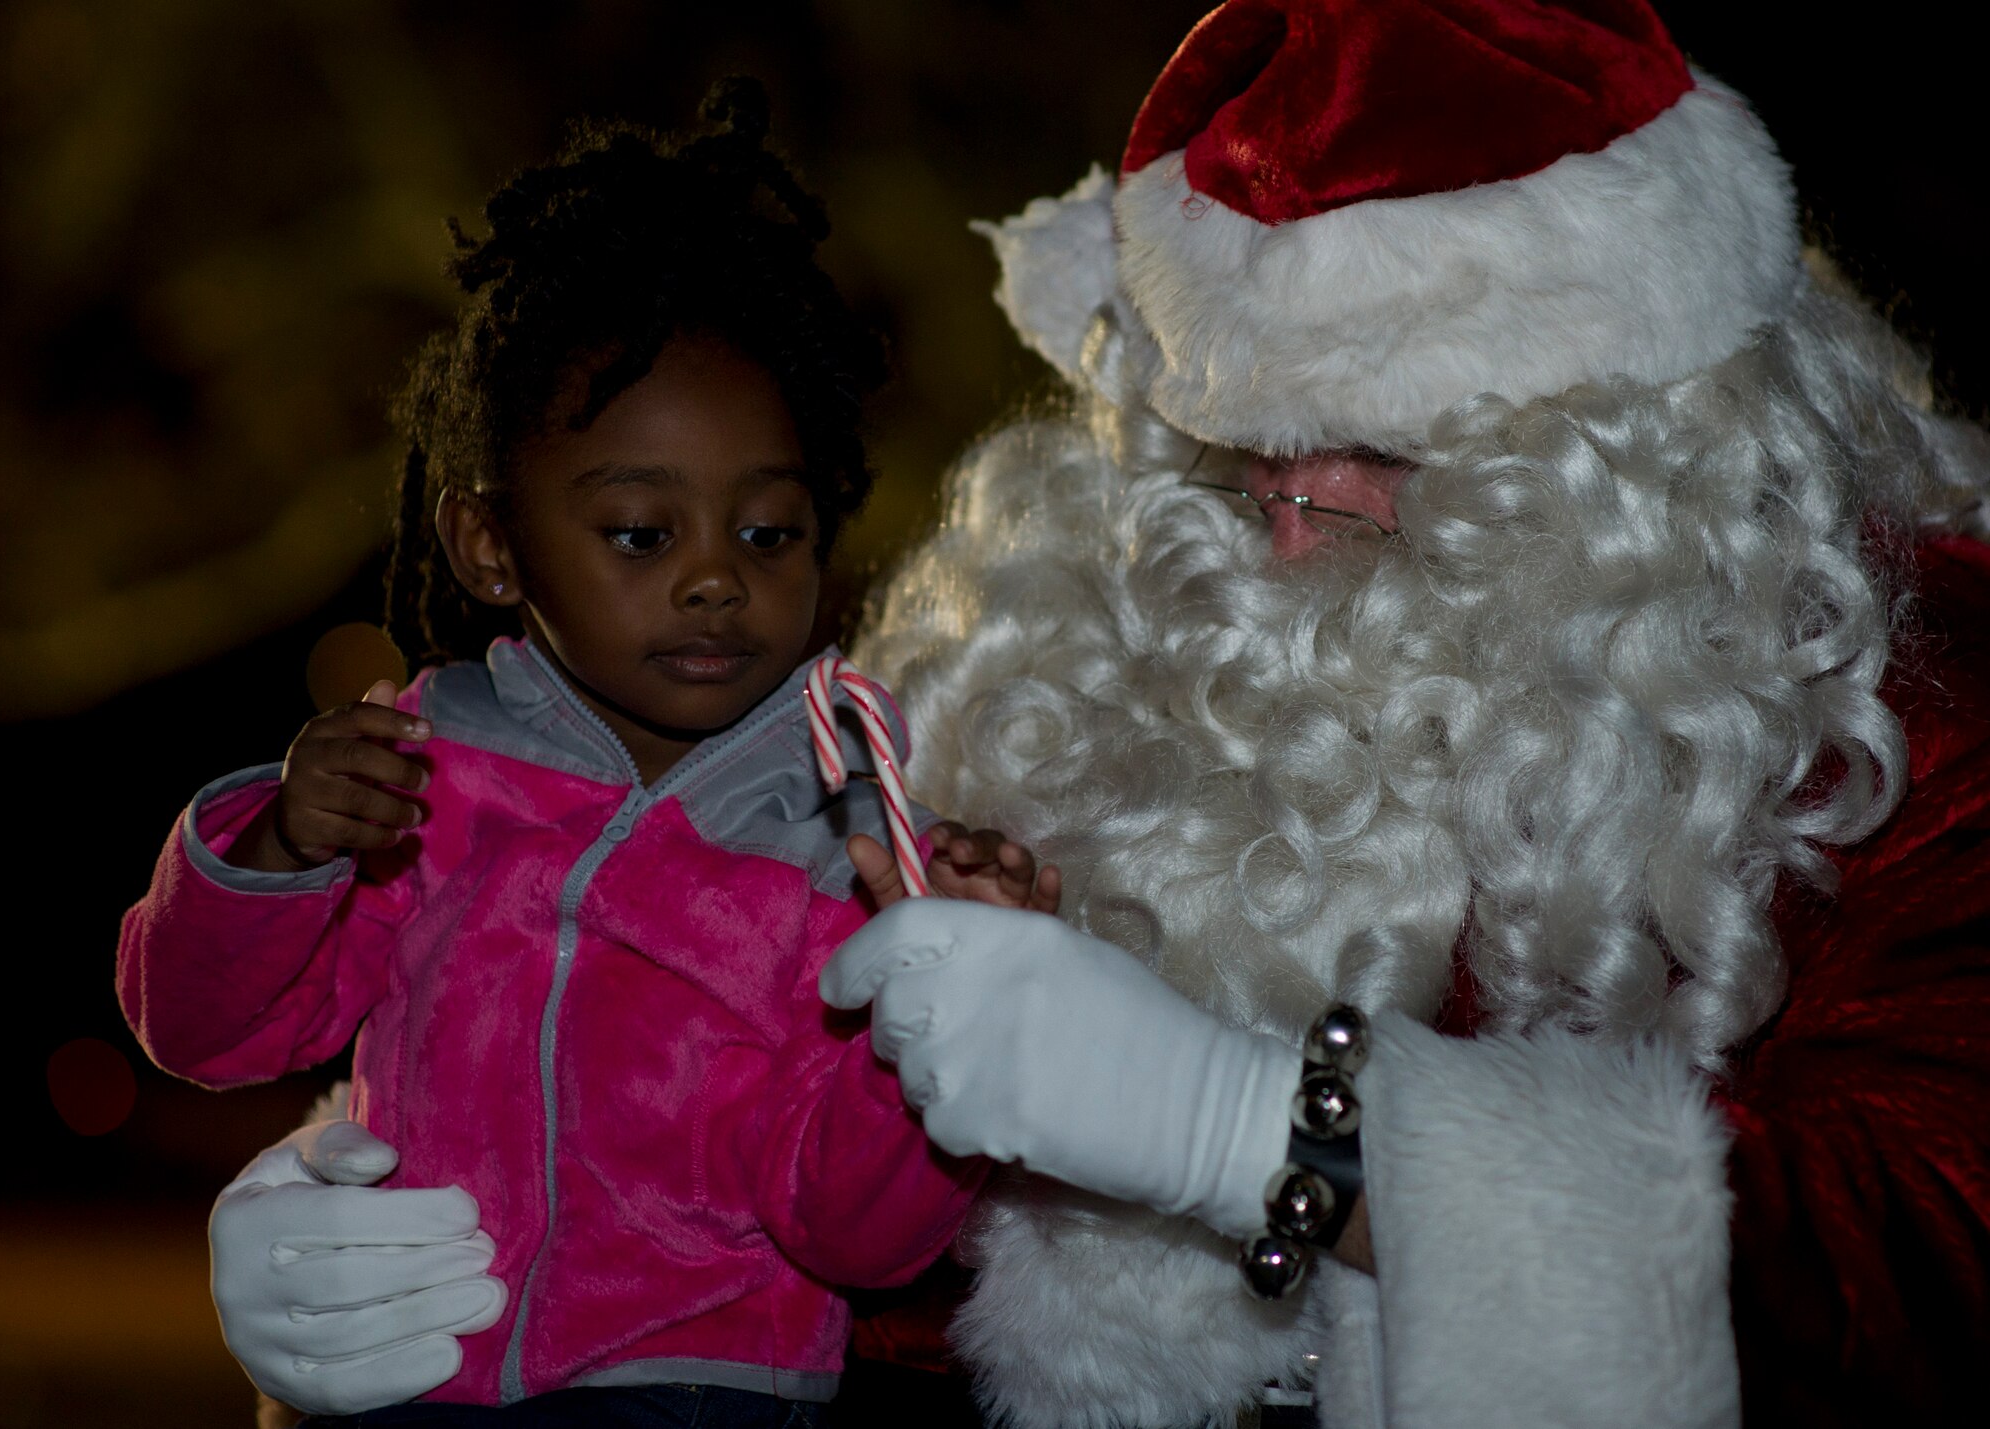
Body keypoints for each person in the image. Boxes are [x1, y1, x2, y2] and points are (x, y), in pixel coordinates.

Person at [201, 3, 1990, 1426]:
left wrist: (1257, 1135)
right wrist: (405, 1200)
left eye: (1391, 438)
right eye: (1243, 436)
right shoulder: (1033, 692)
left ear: (1631, 439)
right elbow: (759, 1168)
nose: (1286, 509)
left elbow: (1932, 1264)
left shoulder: (1884, 705)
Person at [118, 83, 1057, 1425]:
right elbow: (204, 1030)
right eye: (640, 531)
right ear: (490, 543)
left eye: (768, 532)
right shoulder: (422, 776)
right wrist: (279, 844)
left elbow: (853, 1233)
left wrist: (952, 1011)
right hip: (409, 1375)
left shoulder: (839, 834)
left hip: (702, 1392)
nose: (715, 581)